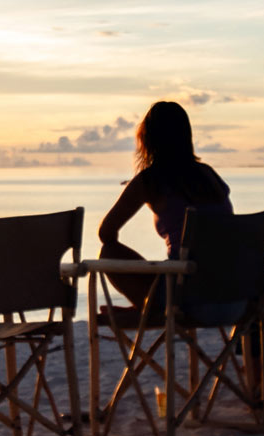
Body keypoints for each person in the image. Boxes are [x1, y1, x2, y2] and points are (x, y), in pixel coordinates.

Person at [97, 101, 232, 314]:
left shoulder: (150, 181)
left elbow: (106, 233)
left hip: (185, 298)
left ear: (147, 139)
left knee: (108, 252)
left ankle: (145, 307)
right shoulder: (209, 175)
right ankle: (143, 305)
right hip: (230, 293)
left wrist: (136, 192)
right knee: (176, 268)